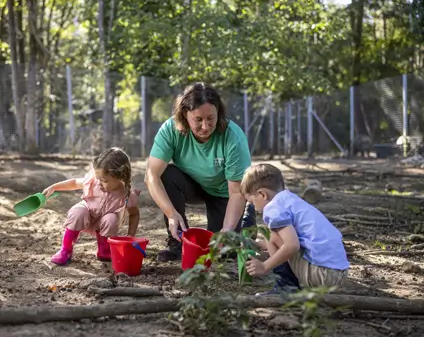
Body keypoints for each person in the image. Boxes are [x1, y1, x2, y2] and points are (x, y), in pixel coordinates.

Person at [145, 82, 257, 262]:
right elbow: (151, 176)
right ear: (184, 115)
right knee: (166, 174)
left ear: (218, 113)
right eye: (198, 119)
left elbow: (236, 192)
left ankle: (246, 215)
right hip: (192, 184)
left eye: (211, 118)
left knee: (224, 252)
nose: (205, 126)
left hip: (224, 193)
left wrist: (227, 230)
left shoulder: (233, 137)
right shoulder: (170, 130)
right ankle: (177, 242)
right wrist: (170, 213)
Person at [240, 163, 349, 295]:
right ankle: (290, 285)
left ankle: (285, 287)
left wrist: (264, 266)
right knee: (271, 235)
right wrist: (260, 245)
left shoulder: (273, 208)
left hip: (322, 274)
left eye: (252, 202)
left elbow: (292, 245)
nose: (255, 209)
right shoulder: (290, 200)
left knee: (269, 233)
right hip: (338, 272)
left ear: (262, 194)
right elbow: (288, 238)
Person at [43, 147, 141, 266]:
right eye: (98, 178)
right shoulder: (93, 181)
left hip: (104, 225)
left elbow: (134, 214)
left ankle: (104, 251)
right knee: (77, 211)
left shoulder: (126, 194)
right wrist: (54, 187)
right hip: (86, 217)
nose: (99, 182)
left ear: (119, 177)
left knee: (111, 219)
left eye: (104, 180)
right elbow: (74, 183)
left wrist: (130, 235)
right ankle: (66, 250)